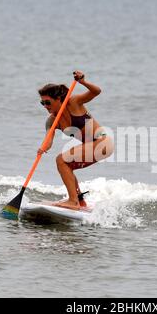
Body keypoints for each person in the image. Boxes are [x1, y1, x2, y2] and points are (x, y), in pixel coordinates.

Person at [37, 70, 114, 210]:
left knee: (61, 160)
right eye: (42, 103)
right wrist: (42, 148)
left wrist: (83, 82)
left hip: (102, 143)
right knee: (67, 165)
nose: (45, 106)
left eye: (48, 102)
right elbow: (48, 141)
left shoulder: (73, 102)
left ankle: (73, 202)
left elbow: (97, 91)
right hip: (92, 147)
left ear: (59, 99)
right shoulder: (52, 121)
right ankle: (80, 201)